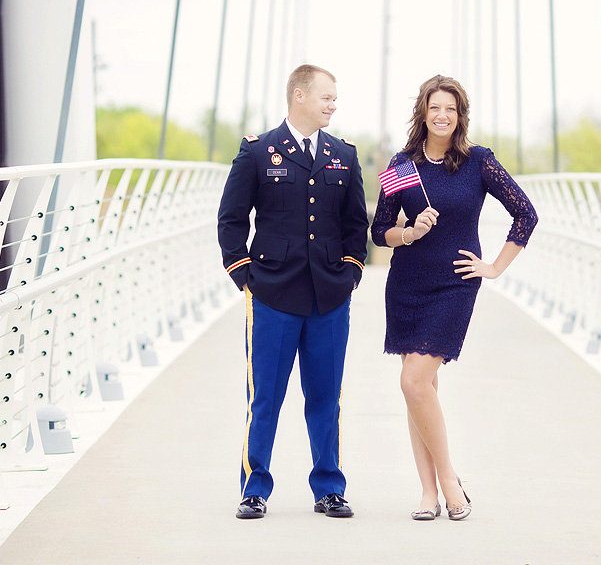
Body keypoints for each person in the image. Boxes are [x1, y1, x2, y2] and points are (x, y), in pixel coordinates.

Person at [370, 74, 538, 521]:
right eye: (435, 107)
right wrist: (408, 232)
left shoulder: (478, 161)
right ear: (423, 112)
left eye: (451, 108)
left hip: (455, 283)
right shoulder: (401, 164)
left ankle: (448, 480)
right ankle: (428, 494)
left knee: (412, 382)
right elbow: (378, 232)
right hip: (407, 284)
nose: (442, 115)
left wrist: (495, 266)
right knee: (419, 387)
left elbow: (526, 214)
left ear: (460, 115)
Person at [218, 64, 369, 519]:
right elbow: (231, 219)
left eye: (335, 98)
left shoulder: (344, 153)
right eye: (326, 97)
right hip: (271, 296)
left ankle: (329, 487)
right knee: (265, 396)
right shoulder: (259, 151)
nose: (333, 105)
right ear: (299, 95)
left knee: (325, 396)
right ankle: (254, 488)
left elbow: (354, 224)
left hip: (328, 296)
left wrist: (351, 274)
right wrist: (245, 274)